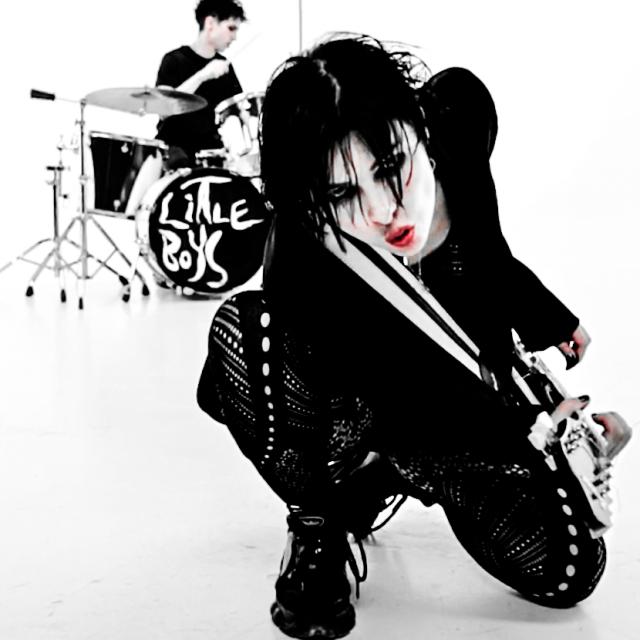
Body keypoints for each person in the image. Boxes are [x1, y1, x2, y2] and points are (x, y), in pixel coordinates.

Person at [197, 34, 632, 639]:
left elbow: (486, 246)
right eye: (342, 193)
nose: (385, 212)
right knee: (249, 331)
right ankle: (320, 522)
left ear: (419, 126)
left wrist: (551, 353)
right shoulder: (302, 254)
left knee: (568, 573)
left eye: (391, 166)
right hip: (362, 406)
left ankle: (386, 478)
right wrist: (528, 433)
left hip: (457, 414)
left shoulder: (459, 119)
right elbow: (382, 378)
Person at [155, 0, 246, 168]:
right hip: (174, 151)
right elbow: (163, 111)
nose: (234, 37)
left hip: (211, 154)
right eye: (231, 28)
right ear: (210, 23)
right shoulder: (174, 60)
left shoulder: (225, 66)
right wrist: (203, 75)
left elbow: (238, 112)